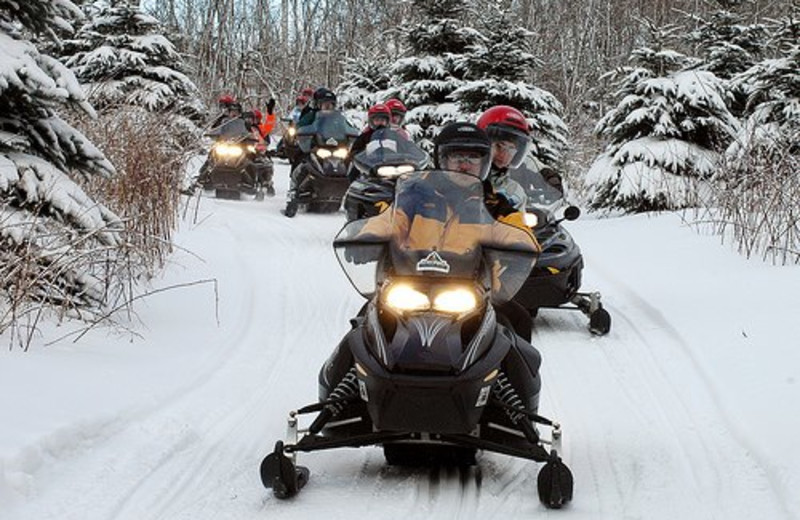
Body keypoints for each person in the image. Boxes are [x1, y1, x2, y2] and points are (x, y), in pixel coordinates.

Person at [433, 122, 538, 342]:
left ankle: (514, 377)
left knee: (519, 322)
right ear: (442, 160)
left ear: (484, 164)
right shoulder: (419, 197)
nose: (464, 166)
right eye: (457, 158)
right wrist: (368, 236)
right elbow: (388, 219)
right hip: (413, 284)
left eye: (472, 159)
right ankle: (346, 376)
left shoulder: (495, 206)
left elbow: (517, 228)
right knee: (364, 327)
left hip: (475, 290)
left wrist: (521, 247)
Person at [347, 103, 392, 181]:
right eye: (377, 120)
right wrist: (362, 155)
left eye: (382, 120)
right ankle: (351, 188)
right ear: (371, 121)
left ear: (387, 121)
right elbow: (354, 151)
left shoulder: (392, 136)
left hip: (390, 164)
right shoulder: (365, 136)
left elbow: (403, 147)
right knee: (354, 174)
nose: (380, 123)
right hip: (369, 166)